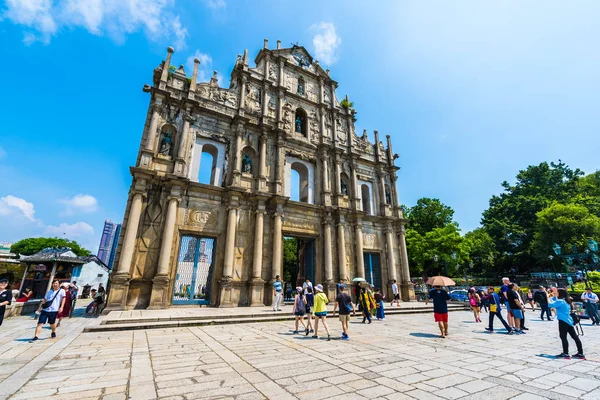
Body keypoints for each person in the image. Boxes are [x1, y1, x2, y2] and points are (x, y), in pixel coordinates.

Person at [548, 287, 585, 359]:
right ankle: (580, 353)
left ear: (560, 293)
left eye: (557, 292)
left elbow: (550, 304)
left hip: (563, 321)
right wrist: (555, 296)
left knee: (563, 337)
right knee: (575, 337)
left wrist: (547, 296)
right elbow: (555, 302)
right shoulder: (567, 301)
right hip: (569, 321)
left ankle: (565, 353)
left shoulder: (561, 302)